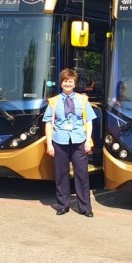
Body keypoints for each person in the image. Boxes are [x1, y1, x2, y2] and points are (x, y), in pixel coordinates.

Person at [43, 69, 97, 217]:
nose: (68, 84)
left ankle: (85, 207)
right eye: (65, 81)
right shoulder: (53, 102)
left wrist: (88, 141)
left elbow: (89, 121)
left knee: (82, 174)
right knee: (61, 174)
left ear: (74, 83)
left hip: (79, 140)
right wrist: (49, 144)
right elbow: (48, 123)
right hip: (59, 141)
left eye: (70, 81)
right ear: (61, 83)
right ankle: (63, 205)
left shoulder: (82, 100)